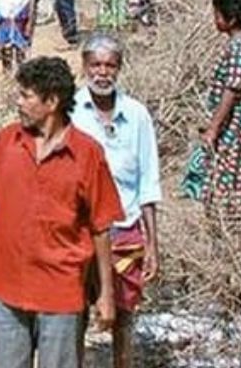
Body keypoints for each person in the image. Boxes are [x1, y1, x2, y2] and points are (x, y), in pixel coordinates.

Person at [0, 57, 123, 368]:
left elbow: (101, 227)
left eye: (26, 96)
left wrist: (106, 294)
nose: (18, 102)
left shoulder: (87, 153)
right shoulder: (8, 142)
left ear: (51, 101)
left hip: (60, 293)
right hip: (6, 288)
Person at [71, 34, 161, 368]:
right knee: (75, 313)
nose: (102, 72)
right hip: (78, 230)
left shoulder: (137, 115)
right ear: (84, 66)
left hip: (124, 232)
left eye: (110, 65)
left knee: (124, 314)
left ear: (119, 69)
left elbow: (148, 181)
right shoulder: (70, 112)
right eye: (96, 64)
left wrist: (153, 243)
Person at [201, 0, 241, 214]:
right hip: (232, 119)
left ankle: (230, 215)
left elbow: (231, 91)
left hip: (237, 120)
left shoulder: (240, 49)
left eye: (217, 16)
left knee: (232, 163)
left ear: (230, 20)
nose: (215, 20)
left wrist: (213, 128)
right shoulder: (238, 45)